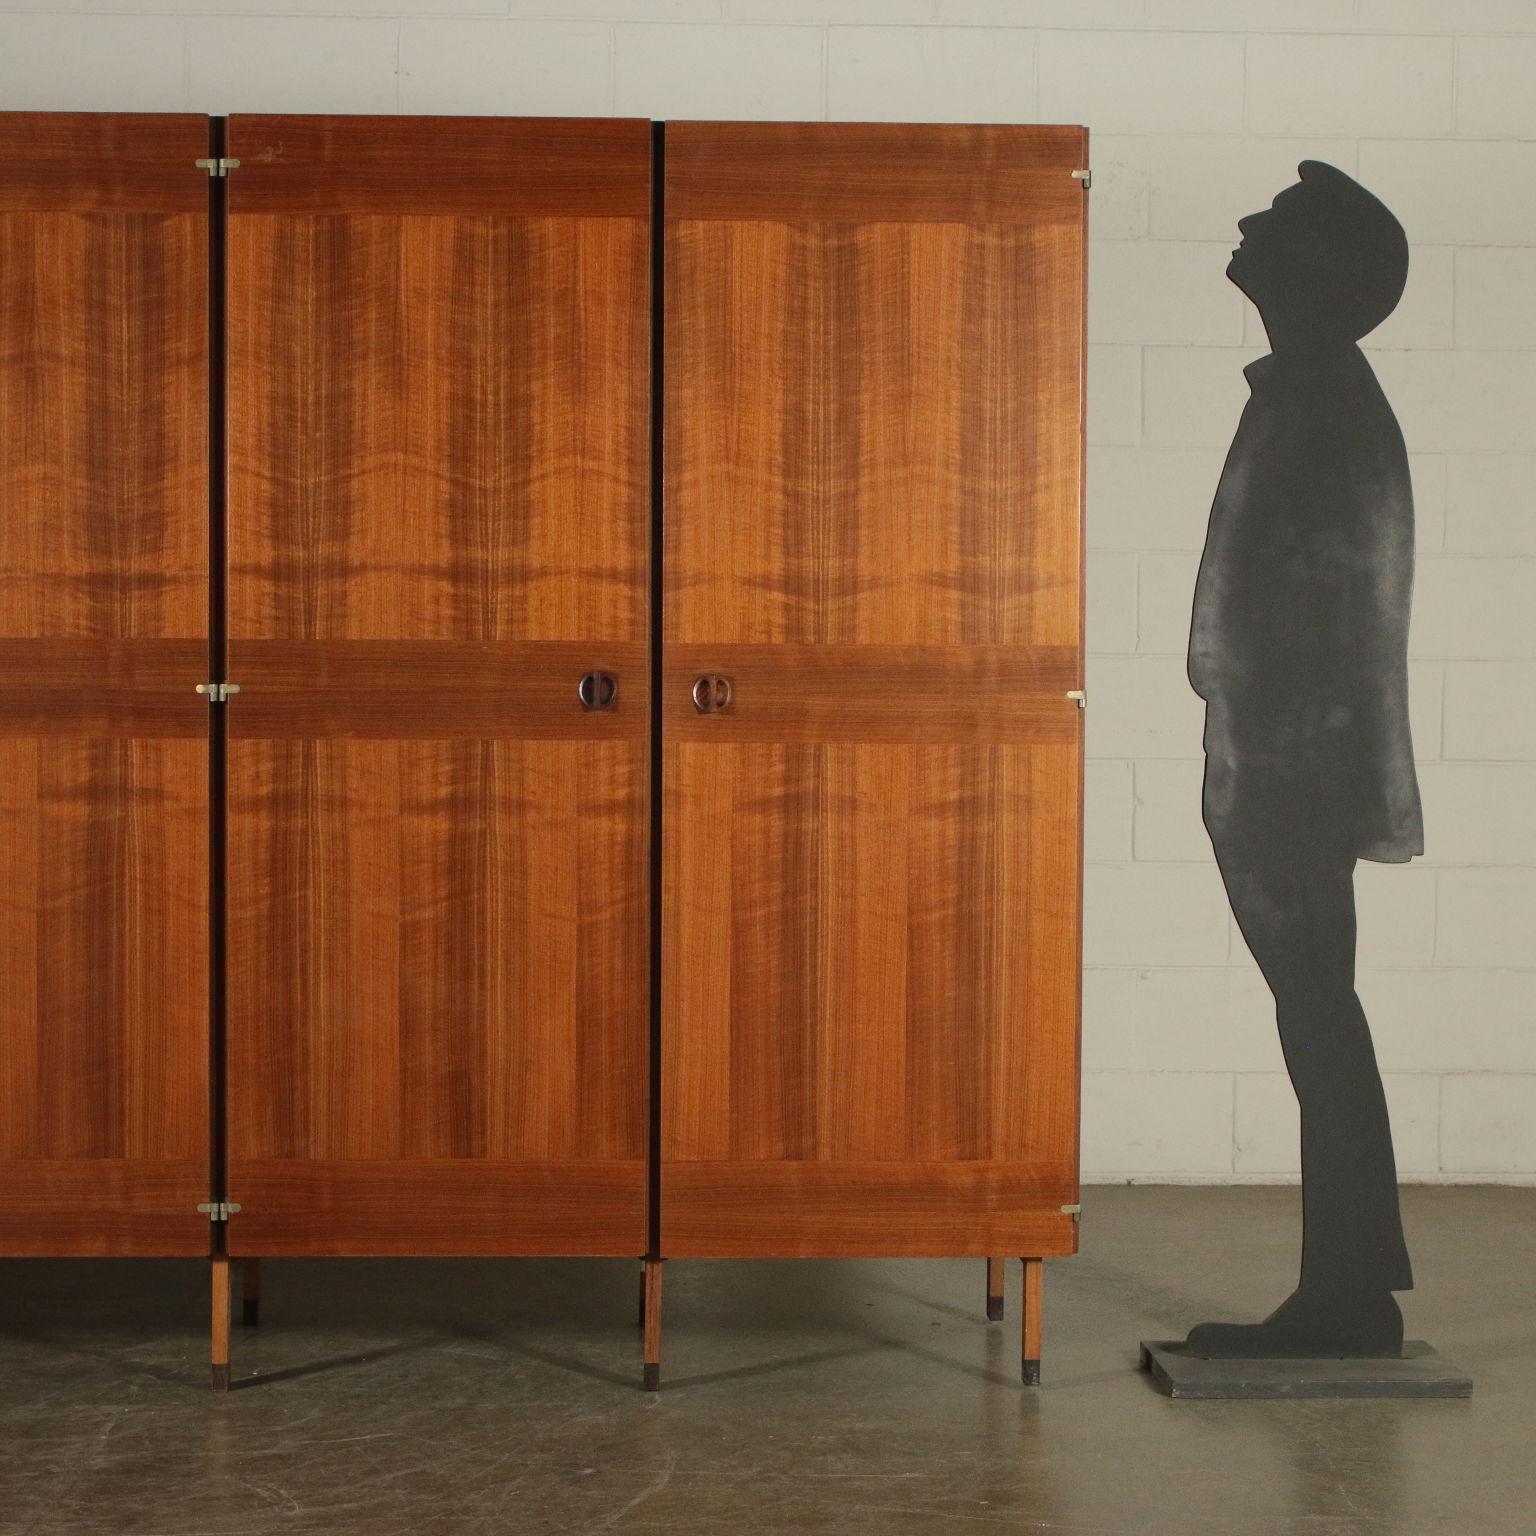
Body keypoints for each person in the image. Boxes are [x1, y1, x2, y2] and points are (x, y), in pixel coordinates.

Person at [1185, 161, 1422, 1358]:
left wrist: (1264, 754)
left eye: (1274, 225)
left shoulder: (1323, 402)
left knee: (1317, 1013)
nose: (1245, 226)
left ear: (1318, 277)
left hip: (1292, 766)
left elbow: (1326, 612)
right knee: (1318, 1013)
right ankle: (1354, 1280)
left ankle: (1348, 1294)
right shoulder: (1318, 393)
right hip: (1285, 758)